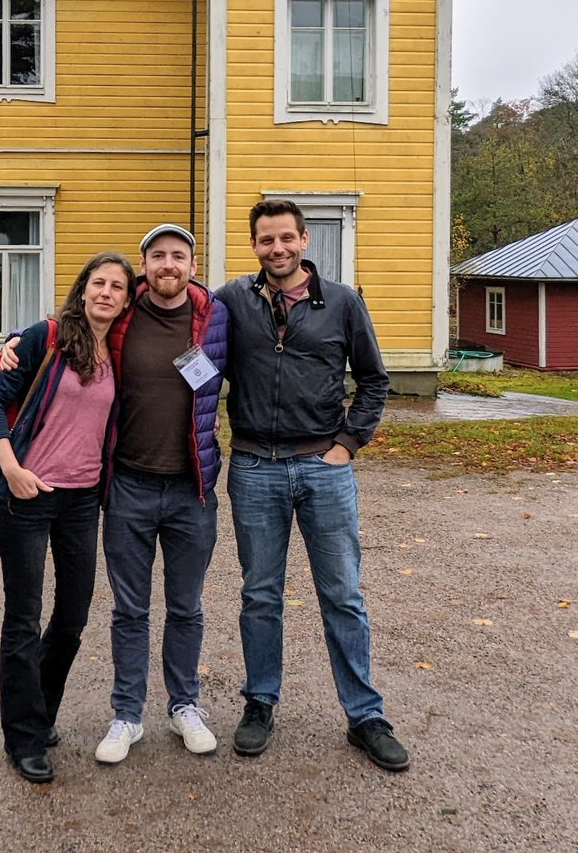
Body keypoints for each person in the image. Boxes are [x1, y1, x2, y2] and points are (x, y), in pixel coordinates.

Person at [1, 222, 229, 764]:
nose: (168, 264)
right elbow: (76, 317)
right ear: (143, 268)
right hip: (127, 485)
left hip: (191, 489)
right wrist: (16, 335)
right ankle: (127, 714)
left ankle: (184, 706)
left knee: (186, 606)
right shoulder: (125, 313)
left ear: (193, 266)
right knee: (128, 610)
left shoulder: (218, 316)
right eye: (157, 256)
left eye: (179, 255)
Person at [215, 198, 410, 772]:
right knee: (260, 593)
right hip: (253, 466)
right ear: (254, 246)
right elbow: (167, 310)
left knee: (343, 594)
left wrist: (347, 445)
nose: (276, 249)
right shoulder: (232, 300)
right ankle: (259, 703)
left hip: (321, 468)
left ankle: (365, 715)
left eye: (286, 239)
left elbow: (375, 380)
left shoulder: (343, 303)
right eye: (265, 240)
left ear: (304, 240)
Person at [0, 251, 136, 784]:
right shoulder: (44, 337)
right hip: (27, 496)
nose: (106, 293)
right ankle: (23, 737)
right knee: (23, 617)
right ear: (83, 288)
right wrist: (12, 467)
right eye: (99, 282)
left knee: (71, 617)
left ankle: (41, 714)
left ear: (126, 298)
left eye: (118, 286)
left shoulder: (118, 347)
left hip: (81, 501)